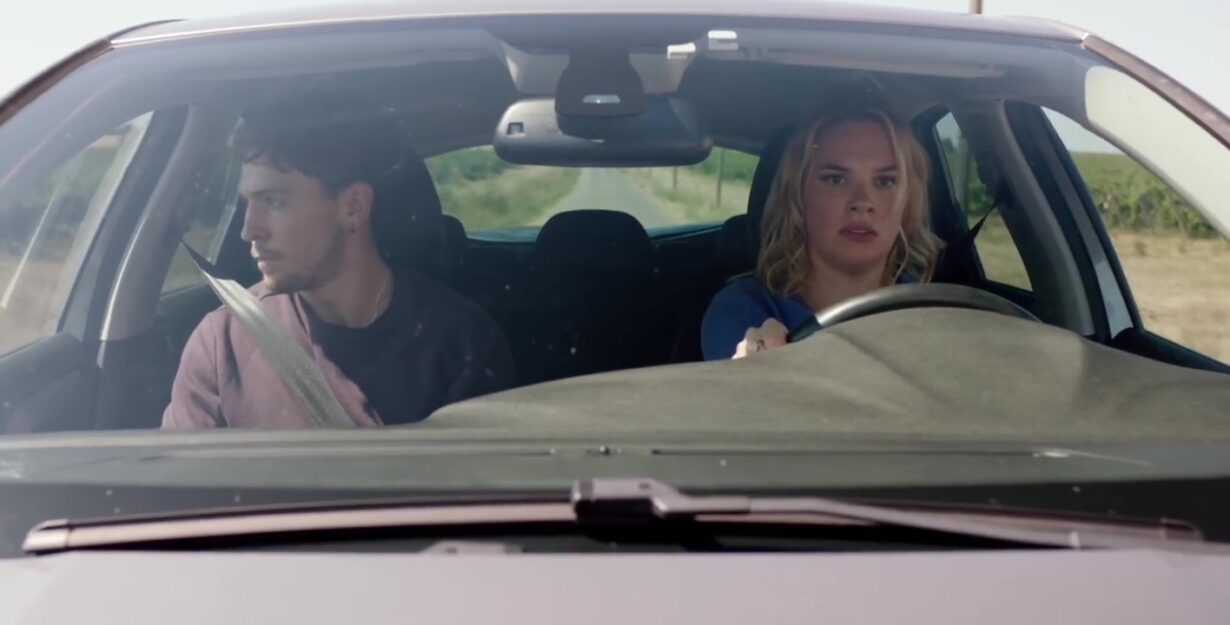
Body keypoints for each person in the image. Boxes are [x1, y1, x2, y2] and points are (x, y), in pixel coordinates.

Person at [163, 95, 514, 428]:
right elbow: (180, 472)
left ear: (353, 207)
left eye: (273, 202)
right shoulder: (222, 343)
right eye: (247, 204)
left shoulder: (460, 343)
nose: (248, 230)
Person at [701, 106, 943, 360]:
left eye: (885, 182)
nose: (862, 202)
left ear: (908, 204)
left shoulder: (933, 309)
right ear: (797, 195)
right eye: (836, 179)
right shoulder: (744, 311)